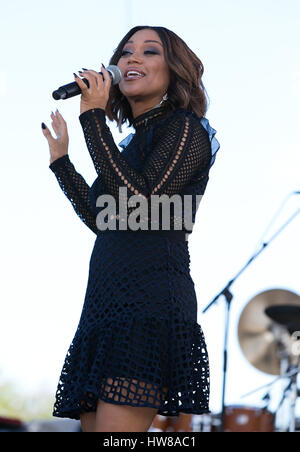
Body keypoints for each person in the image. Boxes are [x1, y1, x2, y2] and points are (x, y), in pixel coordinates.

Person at [42, 25, 220, 433]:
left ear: (174, 71)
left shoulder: (186, 130)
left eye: (149, 51)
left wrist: (92, 117)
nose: (132, 59)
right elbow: (103, 218)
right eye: (125, 52)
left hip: (148, 306)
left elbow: (141, 198)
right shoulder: (128, 145)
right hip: (104, 307)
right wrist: (61, 162)